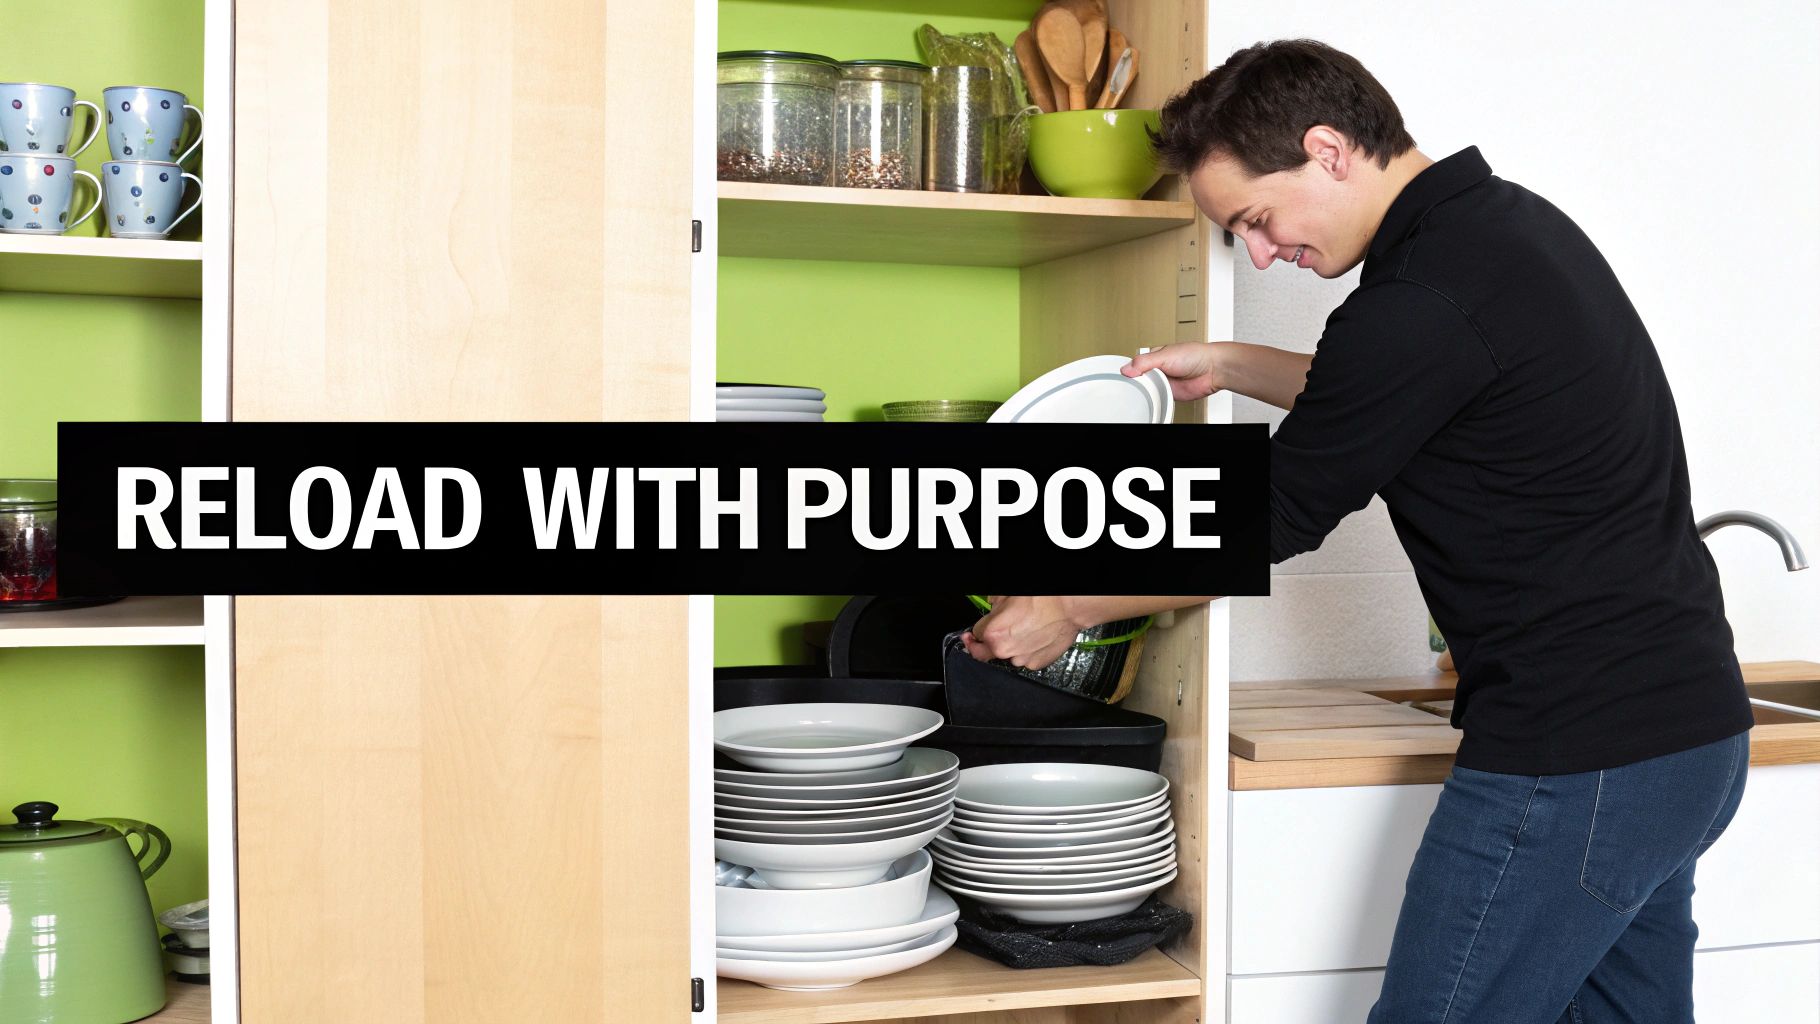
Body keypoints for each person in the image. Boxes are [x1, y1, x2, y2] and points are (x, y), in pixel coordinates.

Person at [962, 39, 1752, 1023]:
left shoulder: (1416, 297)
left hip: (1572, 755)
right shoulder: (1501, 233)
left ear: (1327, 150)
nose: (1256, 252)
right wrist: (1235, 362)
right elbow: (1428, 391)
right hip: (1681, 741)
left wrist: (1064, 606)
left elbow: (1271, 515)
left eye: (1251, 219)